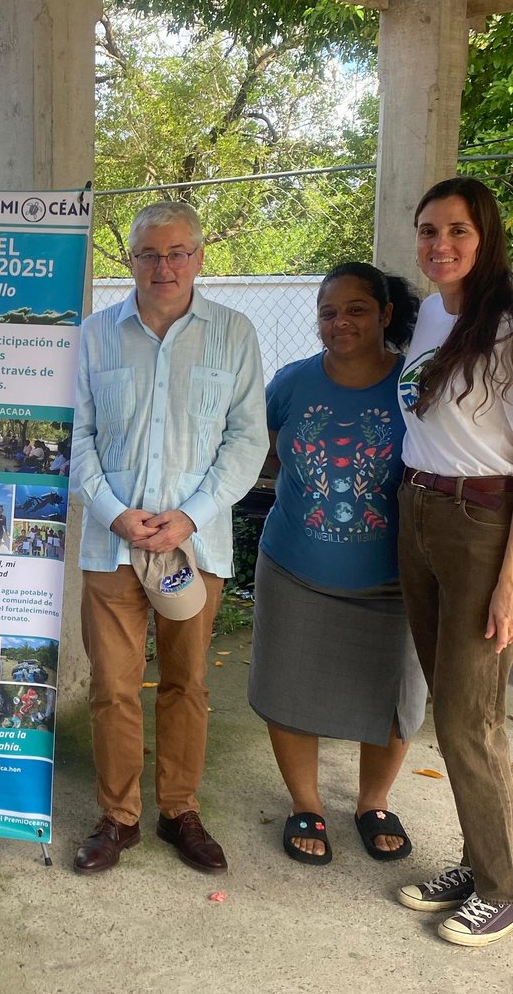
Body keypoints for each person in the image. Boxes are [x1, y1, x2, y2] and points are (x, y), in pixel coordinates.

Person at [71, 201, 267, 876]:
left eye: (177, 251)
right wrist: (113, 512)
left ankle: (179, 809)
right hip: (112, 544)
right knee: (112, 686)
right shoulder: (93, 336)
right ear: (127, 261)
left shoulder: (233, 335)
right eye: (148, 254)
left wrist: (189, 514)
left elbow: (247, 440)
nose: (163, 266)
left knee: (186, 683)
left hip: (195, 545)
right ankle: (117, 816)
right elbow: (75, 438)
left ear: (199, 257)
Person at [248, 263, 424, 865]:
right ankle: (307, 803)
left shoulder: (414, 386)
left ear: (384, 315)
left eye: (355, 310)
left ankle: (373, 801)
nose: (340, 322)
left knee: (397, 694)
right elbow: (254, 444)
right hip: (294, 568)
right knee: (287, 687)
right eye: (328, 312)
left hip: (394, 579)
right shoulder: (293, 382)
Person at [395, 177, 513, 946]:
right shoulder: (431, 312)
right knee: (448, 702)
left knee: (469, 719)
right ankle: (478, 862)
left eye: (457, 231)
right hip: (417, 511)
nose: (441, 245)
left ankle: (501, 886)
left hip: (481, 525)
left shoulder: (503, 321)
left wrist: (508, 580)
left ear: (486, 236)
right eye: (429, 230)